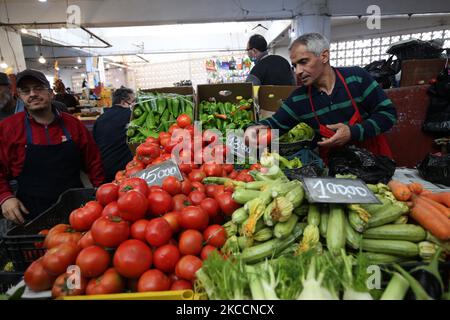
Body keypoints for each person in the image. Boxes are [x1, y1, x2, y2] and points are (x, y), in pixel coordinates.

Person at [245, 33, 397, 161]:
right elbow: (274, 123)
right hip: (335, 170)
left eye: (304, 62)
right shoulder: (299, 100)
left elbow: (389, 114)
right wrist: (252, 128)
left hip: (373, 163)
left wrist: (353, 132)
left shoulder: (357, 78)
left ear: (324, 56)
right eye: (294, 65)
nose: (298, 71)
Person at [0, 69, 104, 225]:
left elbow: (93, 162)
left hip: (77, 209)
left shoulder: (73, 125)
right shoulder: (8, 128)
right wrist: (5, 197)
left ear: (50, 93)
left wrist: (102, 193)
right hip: (30, 211)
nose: (32, 94)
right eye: (26, 91)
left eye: (38, 88)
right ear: (20, 96)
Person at [93, 86, 134, 183]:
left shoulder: (100, 119)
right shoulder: (130, 115)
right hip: (126, 170)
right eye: (133, 102)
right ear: (124, 102)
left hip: (105, 169)